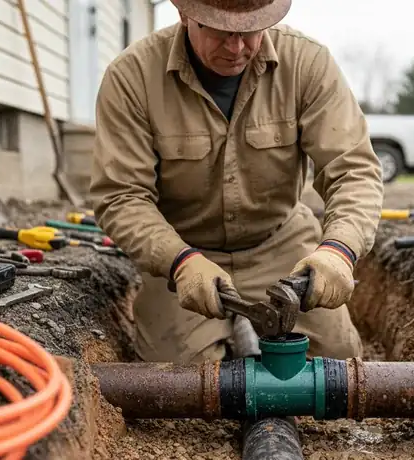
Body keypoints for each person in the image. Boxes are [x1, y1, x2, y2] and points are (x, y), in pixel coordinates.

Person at [89, 0, 384, 364]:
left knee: (336, 365)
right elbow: (121, 195)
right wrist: (178, 261)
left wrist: (339, 249)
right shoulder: (132, 77)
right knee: (175, 381)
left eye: (249, 31)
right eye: (220, 31)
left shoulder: (307, 63)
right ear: (185, 15)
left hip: (280, 243)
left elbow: (354, 170)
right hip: (185, 251)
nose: (236, 47)